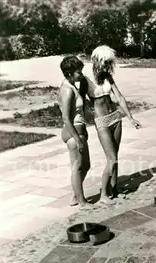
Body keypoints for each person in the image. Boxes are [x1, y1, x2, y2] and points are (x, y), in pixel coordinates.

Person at [85, 45, 142, 204]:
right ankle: (104, 194)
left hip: (116, 117)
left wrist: (131, 118)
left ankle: (114, 190)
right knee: (111, 159)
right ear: (96, 60)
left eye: (109, 63)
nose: (107, 66)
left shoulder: (108, 77)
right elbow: (80, 102)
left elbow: (120, 97)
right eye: (105, 63)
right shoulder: (86, 79)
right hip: (102, 121)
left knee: (115, 156)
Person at [58, 55, 92, 208]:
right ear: (69, 73)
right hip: (73, 134)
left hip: (79, 131)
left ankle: (75, 196)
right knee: (77, 167)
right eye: (78, 72)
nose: (81, 74)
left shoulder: (72, 86)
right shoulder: (67, 90)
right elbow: (66, 118)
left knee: (85, 166)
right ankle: (82, 201)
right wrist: (78, 139)